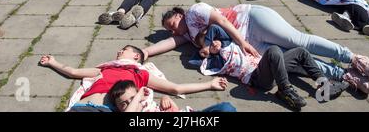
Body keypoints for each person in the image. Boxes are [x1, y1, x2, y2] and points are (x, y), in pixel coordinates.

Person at [143, 3, 369, 94]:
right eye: (170, 29)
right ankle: (346, 75)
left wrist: (242, 42)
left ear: (179, 14)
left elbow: (223, 22)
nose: (174, 30)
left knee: (298, 41)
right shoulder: (188, 34)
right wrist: (144, 53)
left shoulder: (195, 10)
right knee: (293, 65)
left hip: (252, 20)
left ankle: (352, 57)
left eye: (172, 24)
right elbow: (170, 43)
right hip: (251, 46)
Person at [196, 25, 349, 111]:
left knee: (300, 52)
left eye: (213, 41)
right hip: (258, 79)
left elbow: (215, 28)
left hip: (269, 68)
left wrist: (210, 41)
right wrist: (206, 51)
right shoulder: (215, 61)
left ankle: (324, 87)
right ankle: (285, 91)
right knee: (274, 51)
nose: (214, 43)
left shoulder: (227, 41)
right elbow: (196, 63)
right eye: (210, 45)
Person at [39, 45, 228, 112]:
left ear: (136, 56)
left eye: (124, 49)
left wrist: (209, 84)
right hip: (85, 107)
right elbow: (73, 72)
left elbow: (175, 88)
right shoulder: (104, 68)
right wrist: (53, 62)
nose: (119, 51)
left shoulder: (139, 73)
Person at [108, 80, 236, 112]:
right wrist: (137, 96)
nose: (131, 103)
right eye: (124, 103)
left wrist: (166, 99)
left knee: (226, 107)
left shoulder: (148, 104)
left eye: (132, 98)